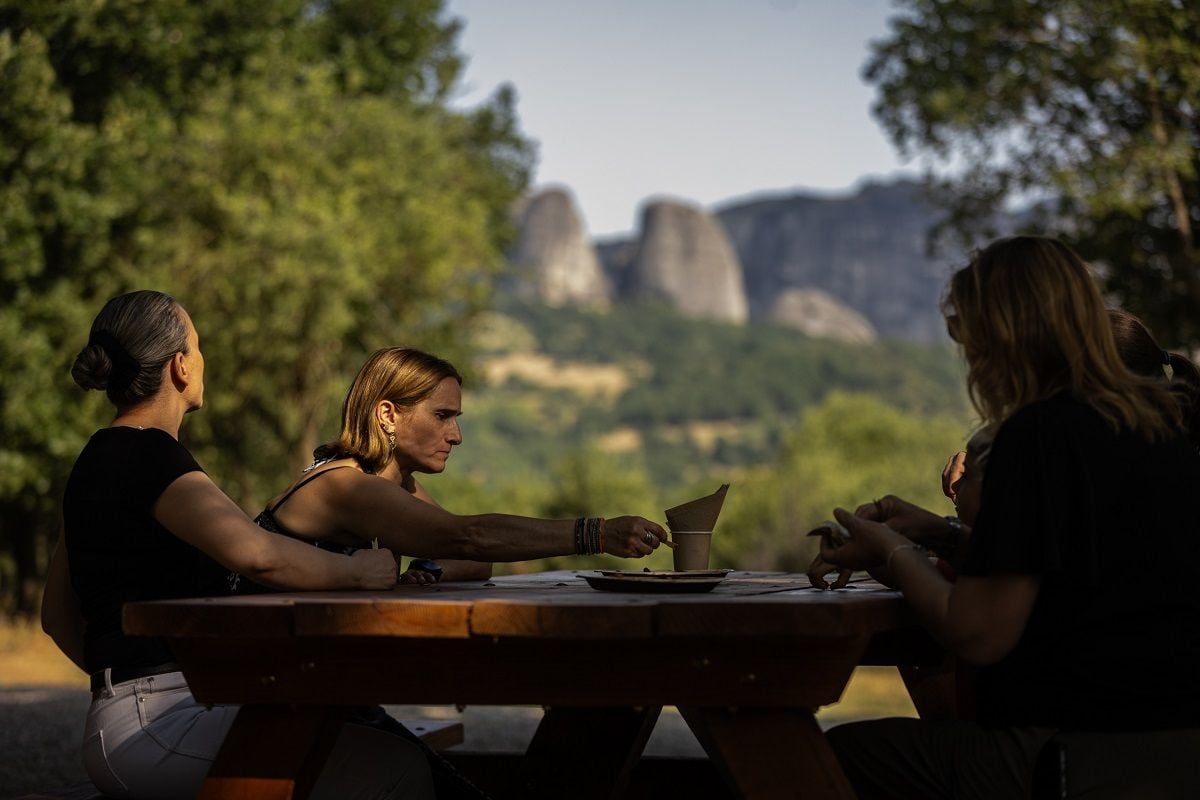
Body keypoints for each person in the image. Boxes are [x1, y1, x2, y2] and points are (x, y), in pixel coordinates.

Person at [812, 237, 1200, 799]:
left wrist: (889, 552)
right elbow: (1073, 571)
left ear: (1005, 338)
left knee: (815, 763)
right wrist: (939, 533)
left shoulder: (1041, 433)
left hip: (1073, 754)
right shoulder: (1156, 430)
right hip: (1171, 748)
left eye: (971, 340)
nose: (970, 358)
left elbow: (978, 631)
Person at [40, 291, 431, 800]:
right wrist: (362, 570)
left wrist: (118, 684)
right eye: (198, 347)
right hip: (158, 726)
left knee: (346, 733)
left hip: (128, 719)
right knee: (395, 765)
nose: (203, 361)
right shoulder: (151, 456)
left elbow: (55, 615)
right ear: (181, 367)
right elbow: (256, 553)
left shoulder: (96, 458)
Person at [227, 345, 668, 596]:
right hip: (243, 683)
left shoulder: (394, 482)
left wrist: (430, 570)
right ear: (387, 415)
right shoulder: (348, 487)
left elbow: (473, 558)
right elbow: (469, 537)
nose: (455, 435)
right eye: (441, 416)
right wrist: (599, 535)